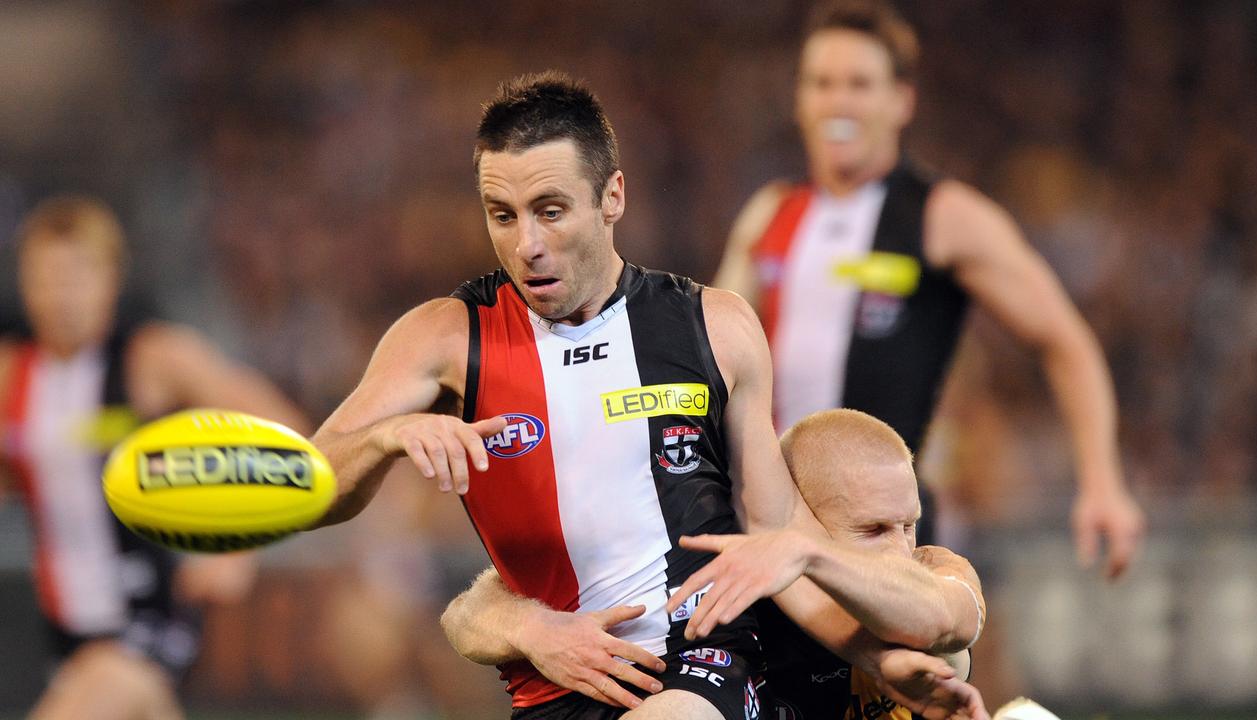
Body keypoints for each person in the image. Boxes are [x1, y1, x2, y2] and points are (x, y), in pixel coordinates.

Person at [310, 72, 983, 720]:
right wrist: (383, 438)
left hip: (699, 668)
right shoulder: (445, 339)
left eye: (551, 211)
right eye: (502, 216)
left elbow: (772, 533)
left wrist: (880, 658)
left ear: (612, 197)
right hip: (554, 688)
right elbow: (310, 488)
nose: (528, 245)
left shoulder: (713, 327)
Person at [712, 0, 1144, 577]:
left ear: (901, 101)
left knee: (912, 667)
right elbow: (709, 364)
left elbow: (1066, 341)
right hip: (768, 525)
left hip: (885, 539)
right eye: (822, 83)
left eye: (859, 84)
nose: (838, 100)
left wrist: (1101, 483)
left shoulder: (946, 217)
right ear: (800, 99)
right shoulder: (769, 215)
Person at [442, 408, 988, 720]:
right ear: (798, 517)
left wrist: (813, 556)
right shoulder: (706, 570)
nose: (900, 552)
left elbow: (950, 621)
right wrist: (533, 626)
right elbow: (468, 610)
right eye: (871, 531)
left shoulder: (929, 569)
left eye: (907, 524)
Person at [0, 195, 310, 720]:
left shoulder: (154, 360)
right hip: (66, 628)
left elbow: (291, 438)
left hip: (151, 615)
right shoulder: (13, 376)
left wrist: (238, 544)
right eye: (45, 277)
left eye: (76, 275)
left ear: (111, 279)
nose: (61, 295)